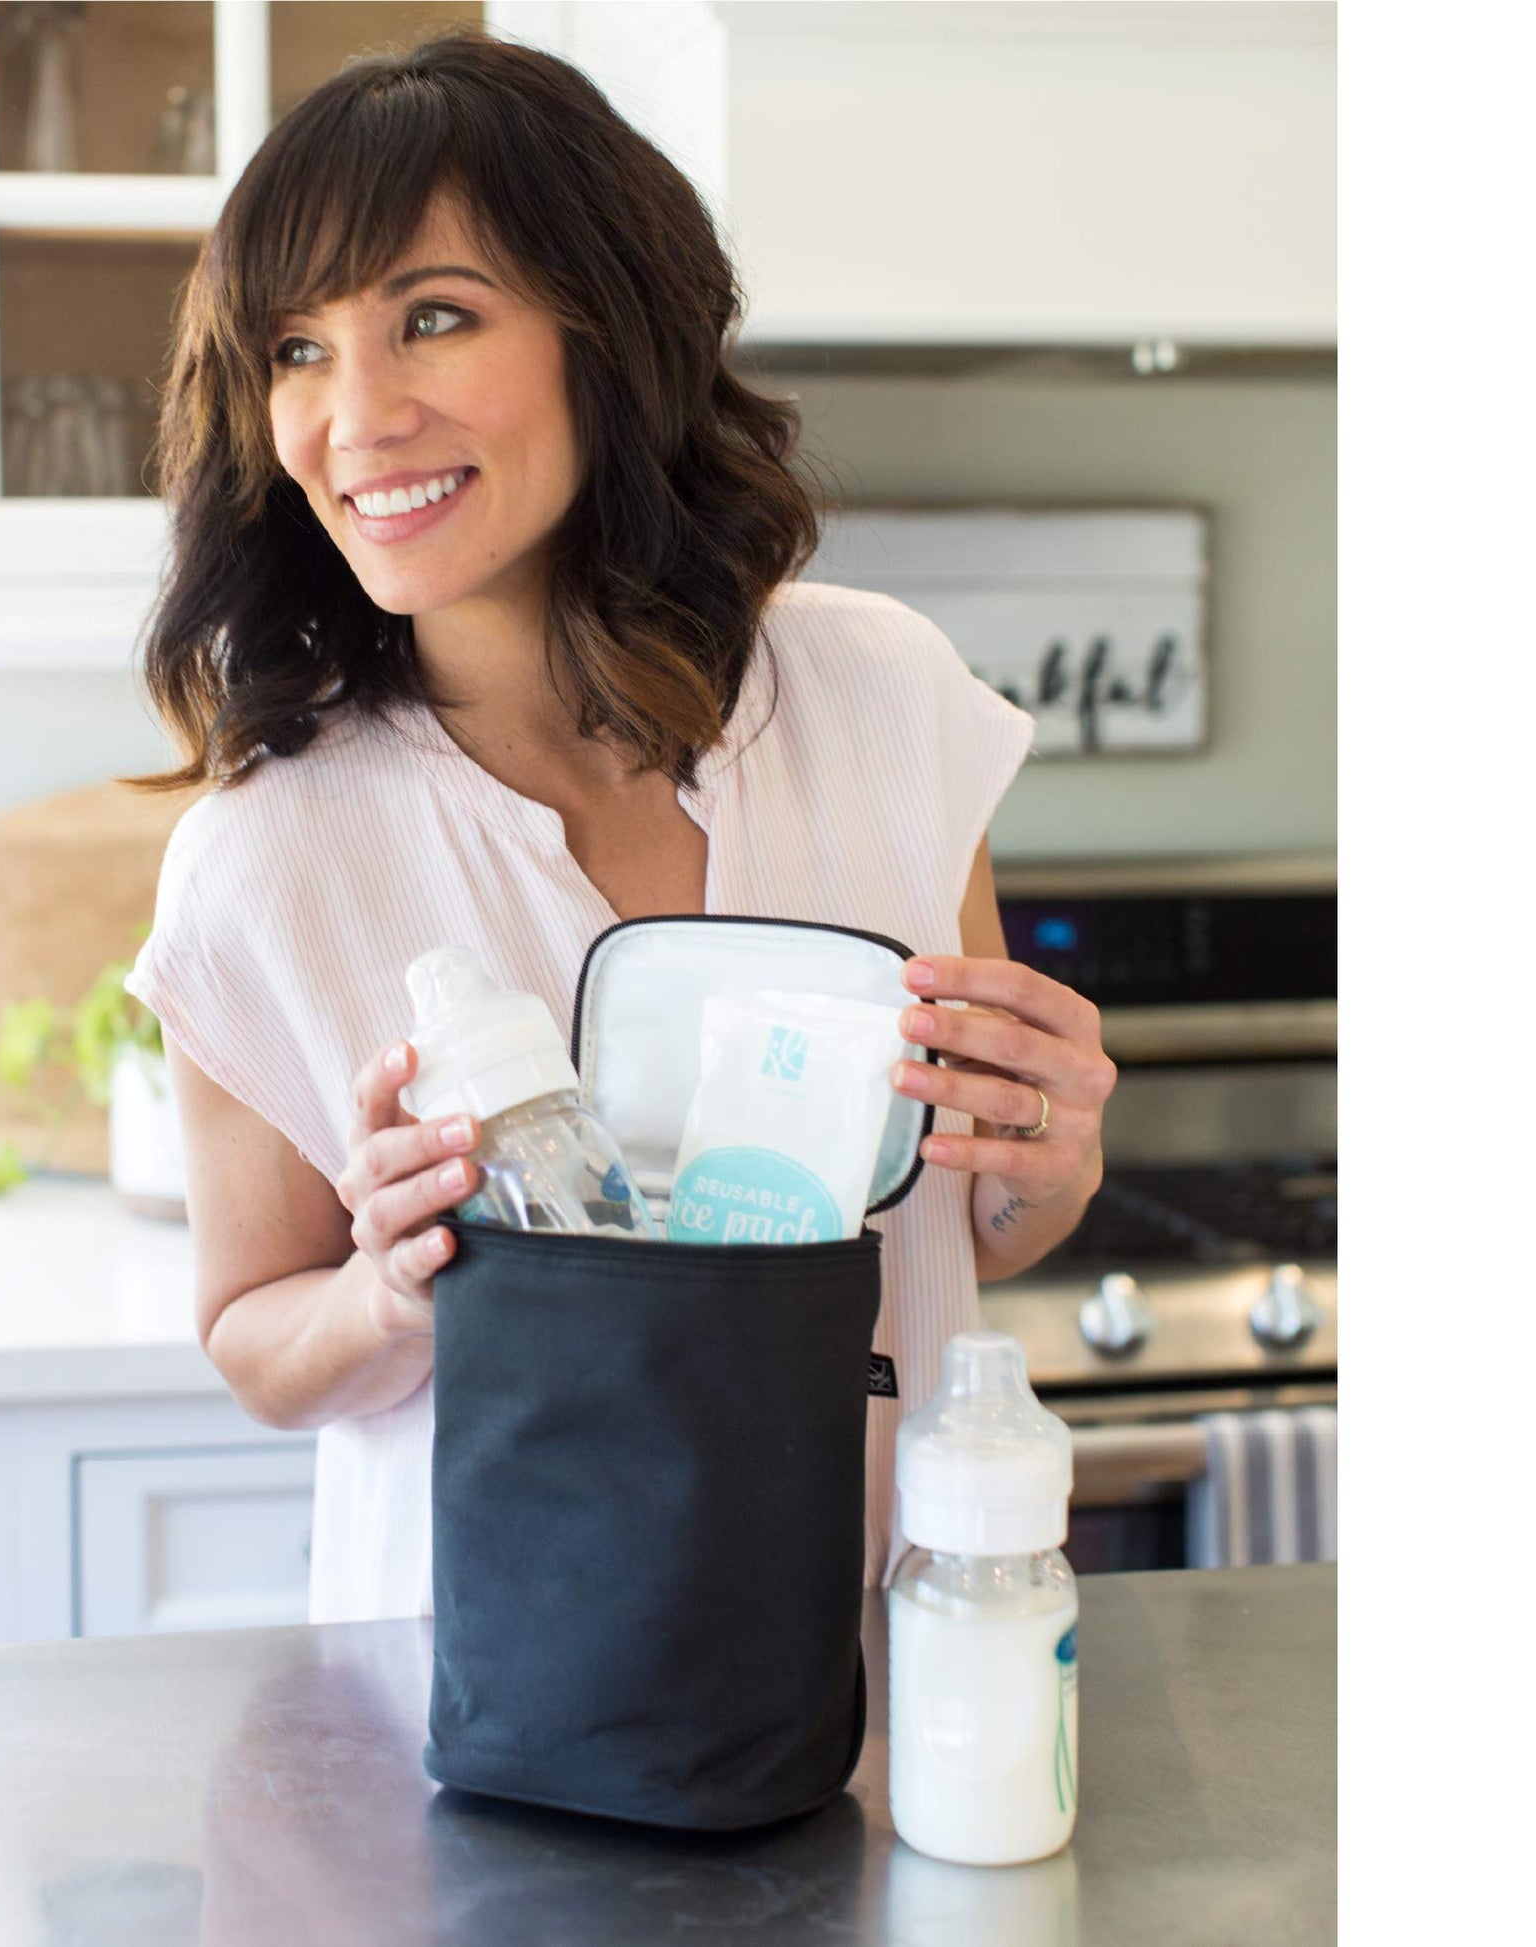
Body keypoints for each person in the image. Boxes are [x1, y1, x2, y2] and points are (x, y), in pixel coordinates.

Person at [122, 27, 1117, 1625]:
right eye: (295, 349)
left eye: (430, 317)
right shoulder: (270, 857)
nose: (352, 417)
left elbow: (975, 1229)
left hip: (898, 1657)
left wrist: (1046, 1156)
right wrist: (388, 1289)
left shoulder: (881, 698)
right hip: (488, 1689)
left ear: (612, 329)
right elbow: (256, 1342)